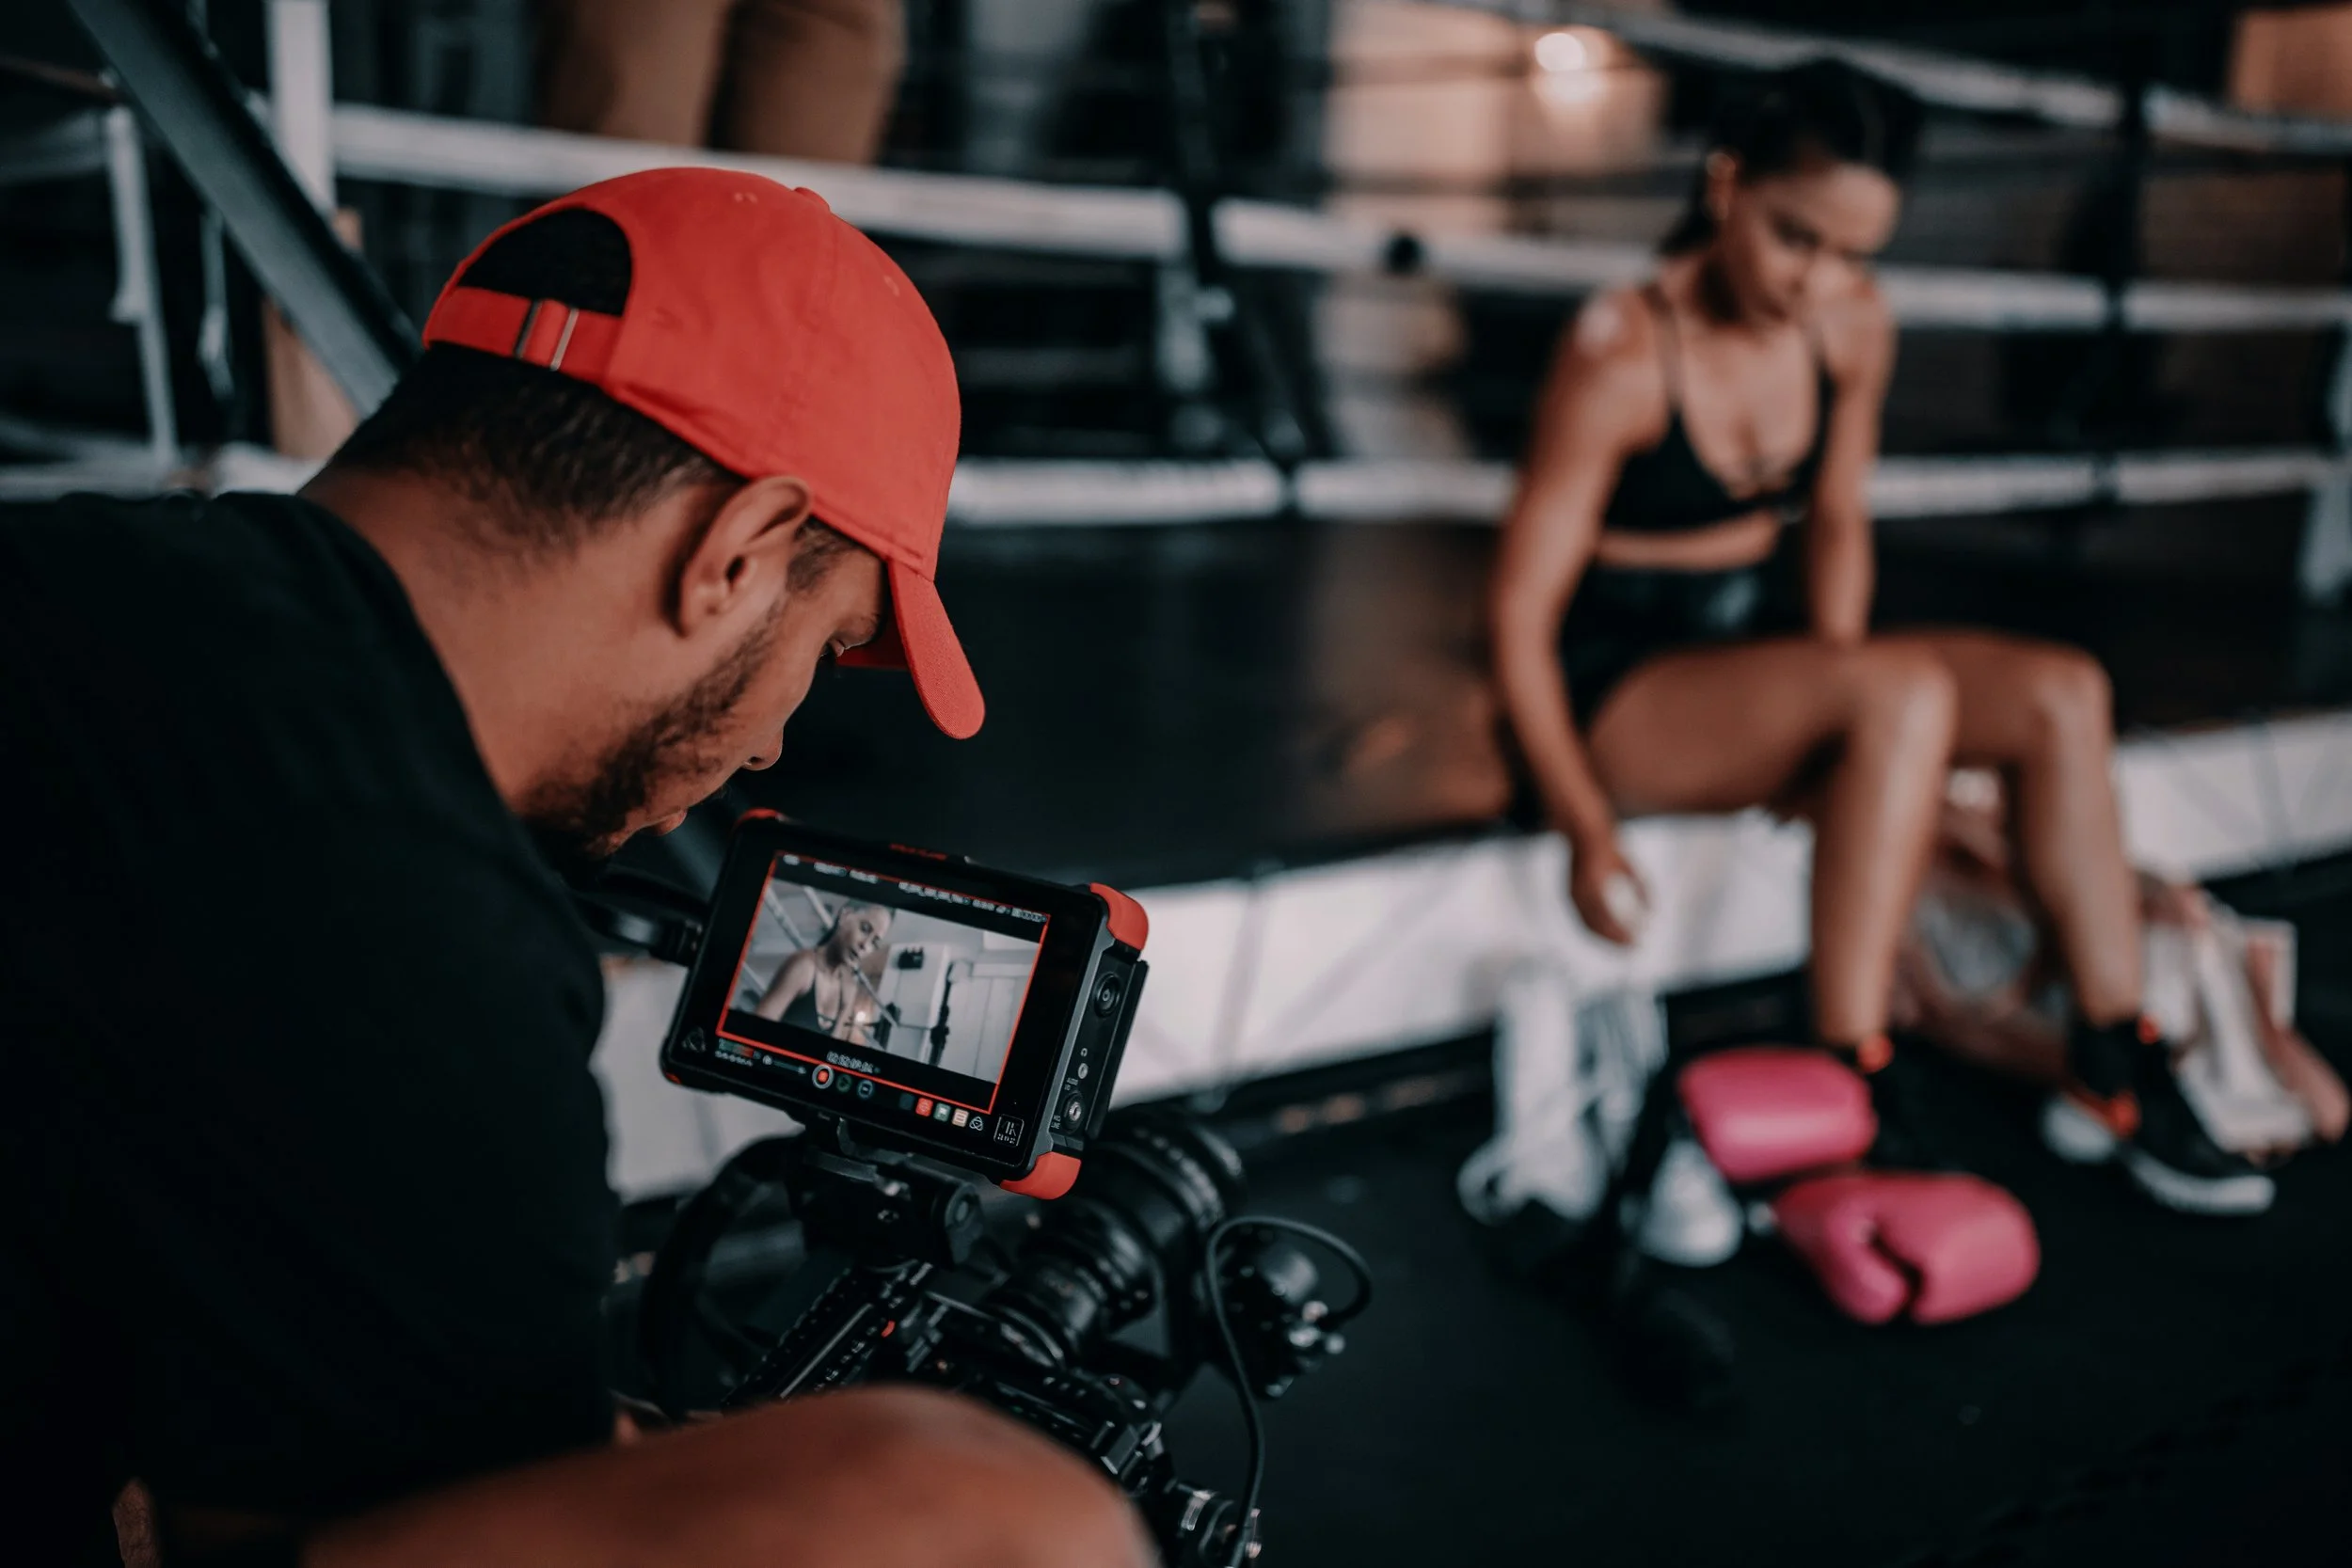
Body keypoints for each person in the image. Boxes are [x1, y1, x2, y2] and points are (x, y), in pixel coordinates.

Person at [0, 167, 1149, 1568]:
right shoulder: (413, 937)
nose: (779, 736)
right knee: (1004, 1516)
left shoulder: (70, 564)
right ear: (739, 548)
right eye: (832, 646)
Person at [1487, 59, 2271, 1214]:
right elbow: (1514, 612)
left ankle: (2118, 1054)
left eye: (1854, 251)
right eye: (1795, 238)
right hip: (1617, 683)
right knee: (1894, 693)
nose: (1820, 280)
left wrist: (1837, 700)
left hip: (1753, 654)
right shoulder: (1622, 346)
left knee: (2061, 687)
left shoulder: (1848, 322)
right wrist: (1583, 827)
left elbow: (1839, 518)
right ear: (1724, 184)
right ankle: (1850, 1069)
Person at [755, 901, 894, 1042]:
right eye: (864, 929)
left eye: (874, 942)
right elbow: (756, 1031)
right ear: (845, 916)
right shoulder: (804, 967)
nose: (865, 945)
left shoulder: (849, 989)